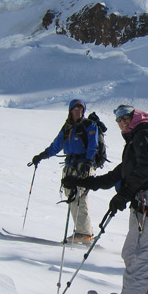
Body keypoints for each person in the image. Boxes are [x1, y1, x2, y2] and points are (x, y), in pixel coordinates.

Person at [63, 104, 148, 294]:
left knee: (136, 256)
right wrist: (85, 183)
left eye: (125, 117)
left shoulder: (142, 135)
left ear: (135, 116)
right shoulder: (145, 136)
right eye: (118, 120)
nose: (122, 123)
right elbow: (119, 174)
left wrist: (125, 194)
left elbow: (147, 167)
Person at [31, 99, 98, 243]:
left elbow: (93, 145)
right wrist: (41, 156)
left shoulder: (89, 125)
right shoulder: (67, 127)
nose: (78, 111)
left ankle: (84, 233)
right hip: (71, 166)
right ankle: (83, 232)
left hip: (83, 165)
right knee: (72, 197)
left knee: (80, 197)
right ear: (70, 110)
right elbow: (55, 146)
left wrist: (88, 162)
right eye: (75, 108)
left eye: (81, 108)